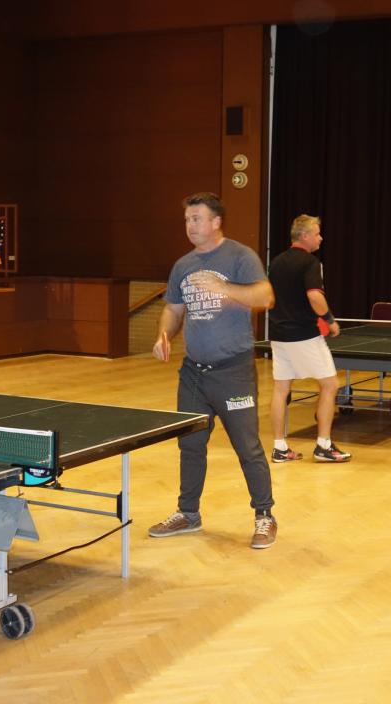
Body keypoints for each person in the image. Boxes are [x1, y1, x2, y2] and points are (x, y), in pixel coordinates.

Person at [149, 192, 279, 549]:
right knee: (190, 445)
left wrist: (226, 288)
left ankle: (264, 515)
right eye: (187, 220)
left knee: (247, 447)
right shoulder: (183, 265)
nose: (190, 225)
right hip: (193, 374)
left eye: (197, 218)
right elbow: (173, 309)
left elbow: (266, 297)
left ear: (216, 222)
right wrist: (163, 335)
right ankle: (188, 513)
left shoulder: (240, 256)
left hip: (233, 372)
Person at [266, 214, 352, 464]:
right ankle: (323, 445)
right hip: (304, 335)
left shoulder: (276, 262)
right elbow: (314, 296)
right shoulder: (311, 262)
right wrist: (329, 319)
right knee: (330, 384)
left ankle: (280, 448)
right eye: (317, 233)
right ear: (304, 236)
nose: (320, 238)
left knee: (281, 389)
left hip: (279, 335)